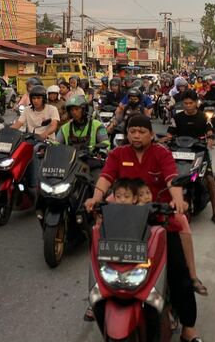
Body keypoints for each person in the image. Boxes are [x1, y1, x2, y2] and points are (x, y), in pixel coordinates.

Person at [83, 114, 202, 342]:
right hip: (123, 221)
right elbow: (106, 177)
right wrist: (96, 198)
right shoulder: (118, 154)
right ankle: (99, 297)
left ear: (151, 134)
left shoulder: (161, 153)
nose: (136, 136)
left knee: (179, 273)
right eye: (132, 131)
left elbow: (172, 179)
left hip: (159, 220)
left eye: (141, 132)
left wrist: (177, 201)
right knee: (103, 262)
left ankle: (189, 327)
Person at [162, 90, 215, 225]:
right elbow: (170, 134)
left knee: (209, 179)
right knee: (169, 176)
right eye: (185, 103)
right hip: (179, 151)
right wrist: (163, 140)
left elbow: (209, 131)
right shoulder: (177, 117)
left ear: (196, 103)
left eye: (191, 103)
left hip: (199, 152)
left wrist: (210, 139)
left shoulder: (203, 117)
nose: (188, 106)